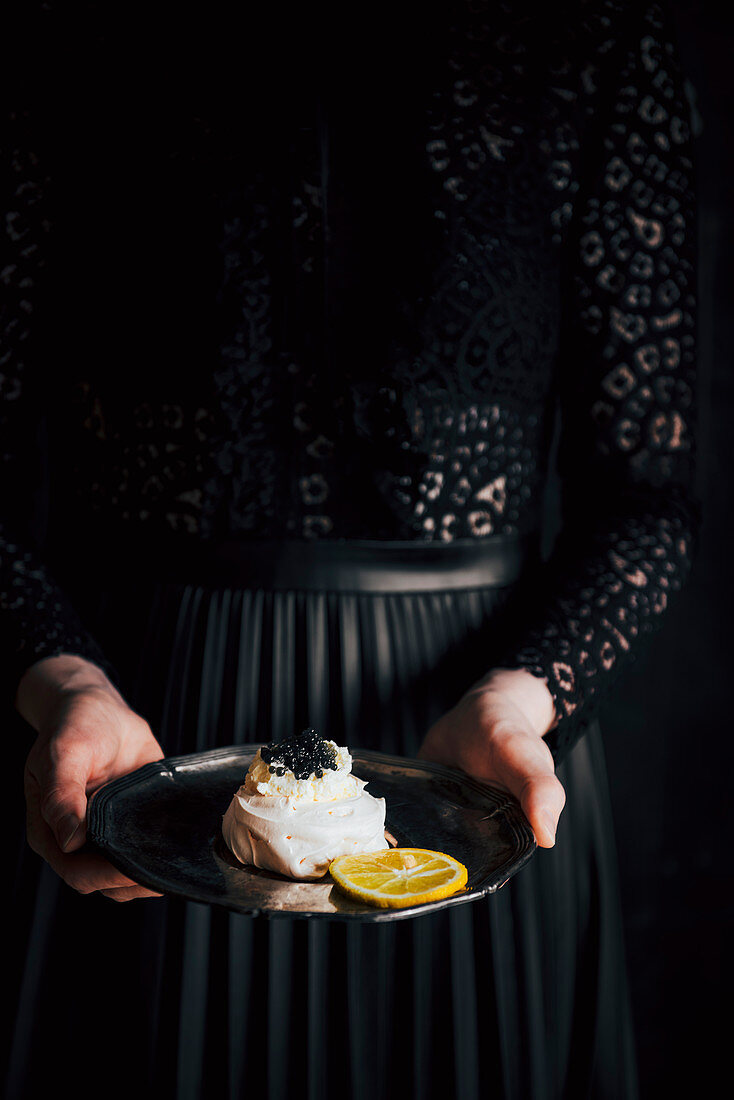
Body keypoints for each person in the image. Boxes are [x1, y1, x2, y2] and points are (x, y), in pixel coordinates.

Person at [3, 1, 698, 1097]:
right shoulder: (63, 31)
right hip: (142, 752)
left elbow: (646, 501)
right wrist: (63, 678)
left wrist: (527, 696)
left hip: (477, 767)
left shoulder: (591, 33)